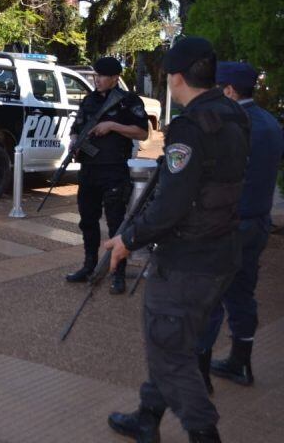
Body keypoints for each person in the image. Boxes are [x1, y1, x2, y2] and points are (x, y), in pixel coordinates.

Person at [105, 37, 250, 443]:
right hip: (221, 253)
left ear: (176, 78)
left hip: (188, 261)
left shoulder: (190, 127)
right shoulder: (234, 115)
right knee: (172, 342)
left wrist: (126, 239)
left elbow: (170, 206)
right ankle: (148, 417)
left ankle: (204, 435)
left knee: (170, 353)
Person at [196, 62, 284, 392]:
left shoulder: (229, 123)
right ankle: (240, 362)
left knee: (209, 297)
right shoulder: (271, 123)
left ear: (230, 90)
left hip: (226, 224)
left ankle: (200, 374)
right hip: (257, 223)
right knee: (242, 292)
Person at [65, 56, 149, 294]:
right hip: (89, 171)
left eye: (101, 76)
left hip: (114, 170)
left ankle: (117, 274)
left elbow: (142, 133)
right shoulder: (89, 100)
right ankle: (89, 266)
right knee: (87, 220)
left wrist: (112, 126)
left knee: (116, 224)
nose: (96, 80)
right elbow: (77, 128)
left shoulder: (128, 101)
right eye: (95, 75)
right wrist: (75, 142)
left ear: (114, 78)